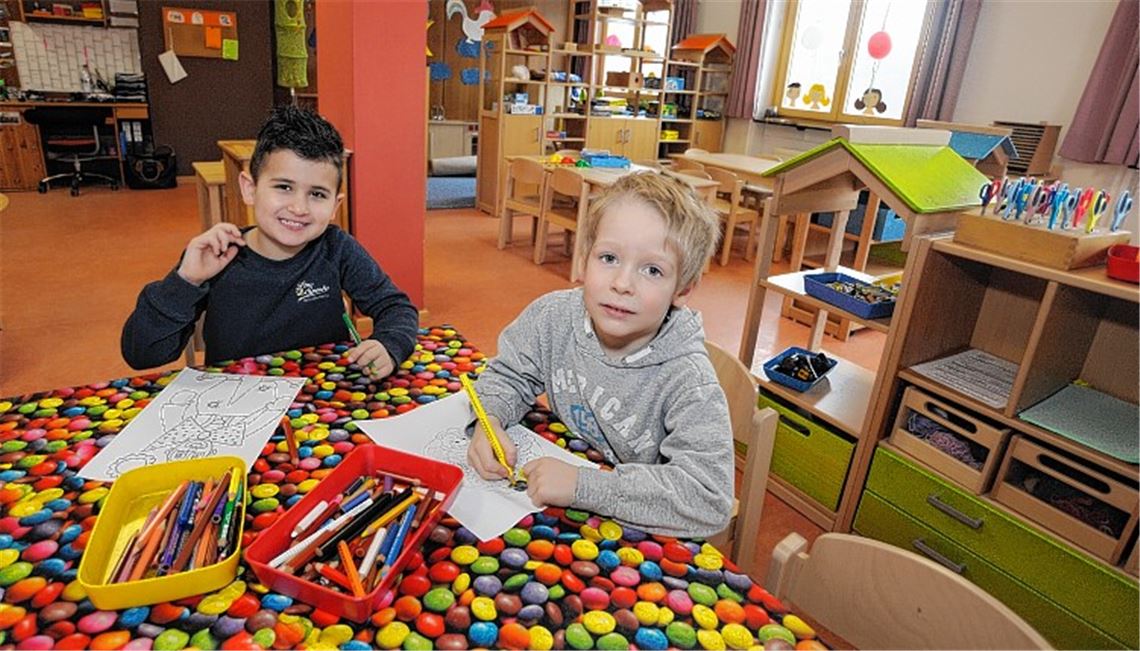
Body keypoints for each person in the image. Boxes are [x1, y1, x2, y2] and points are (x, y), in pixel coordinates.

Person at [467, 173, 734, 539]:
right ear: (584, 257)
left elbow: (708, 499)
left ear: (683, 289)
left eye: (652, 270)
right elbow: (508, 375)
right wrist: (490, 421)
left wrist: (586, 486)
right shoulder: (553, 317)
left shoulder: (688, 380)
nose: (622, 283)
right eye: (609, 258)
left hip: (635, 531)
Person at [122, 106, 418, 376]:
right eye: (284, 187)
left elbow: (396, 307)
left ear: (334, 207)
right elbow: (142, 354)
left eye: (317, 194)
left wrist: (389, 344)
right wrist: (185, 281)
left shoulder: (336, 247)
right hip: (236, 409)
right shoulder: (217, 257)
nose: (299, 208)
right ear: (249, 188)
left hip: (324, 403)